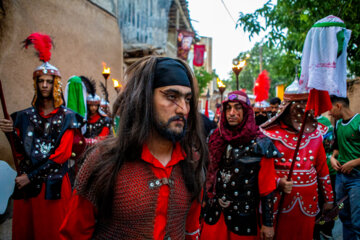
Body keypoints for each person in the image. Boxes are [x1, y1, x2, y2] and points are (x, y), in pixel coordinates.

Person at [59, 56, 207, 239]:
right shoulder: (103, 161)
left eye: (187, 99)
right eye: (171, 96)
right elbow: (73, 234)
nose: (183, 109)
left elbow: (191, 230)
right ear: (144, 98)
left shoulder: (192, 163)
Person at [0, 33, 83, 240]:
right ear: (35, 84)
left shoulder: (68, 117)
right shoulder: (23, 116)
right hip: (26, 186)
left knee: (51, 232)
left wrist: (30, 176)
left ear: (55, 84)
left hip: (52, 184)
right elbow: (20, 153)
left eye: (48, 81)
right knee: (26, 232)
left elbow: (62, 155)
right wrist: (10, 133)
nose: (44, 85)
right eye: (40, 81)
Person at [201, 90, 280, 240]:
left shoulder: (261, 144)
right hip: (215, 216)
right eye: (228, 108)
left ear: (246, 112)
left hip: (244, 219)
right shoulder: (214, 138)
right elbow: (206, 175)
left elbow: (267, 188)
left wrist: (268, 223)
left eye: (238, 108)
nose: (232, 112)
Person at [260, 82, 334, 240]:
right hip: (278, 202)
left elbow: (322, 170)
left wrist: (329, 199)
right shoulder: (270, 134)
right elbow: (261, 172)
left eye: (305, 104)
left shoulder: (316, 134)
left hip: (308, 204)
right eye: (298, 105)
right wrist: (277, 182)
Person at [329, 95, 360, 239]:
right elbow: (337, 148)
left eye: (330, 109)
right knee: (342, 214)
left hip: (356, 180)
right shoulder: (338, 124)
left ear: (338, 106)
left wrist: (354, 162)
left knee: (357, 220)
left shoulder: (358, 122)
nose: (329, 113)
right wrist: (332, 158)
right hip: (341, 179)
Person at [313, 114, 336, 240]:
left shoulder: (324, 122)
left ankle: (325, 231)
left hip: (327, 171)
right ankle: (320, 230)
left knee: (329, 205)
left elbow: (329, 145)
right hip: (311, 174)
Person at [80, 76, 111, 146]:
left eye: (95, 105)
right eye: (91, 105)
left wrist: (91, 141)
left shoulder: (105, 119)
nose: (93, 108)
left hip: (99, 148)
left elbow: (103, 136)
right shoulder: (84, 118)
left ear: (98, 106)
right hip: (83, 147)